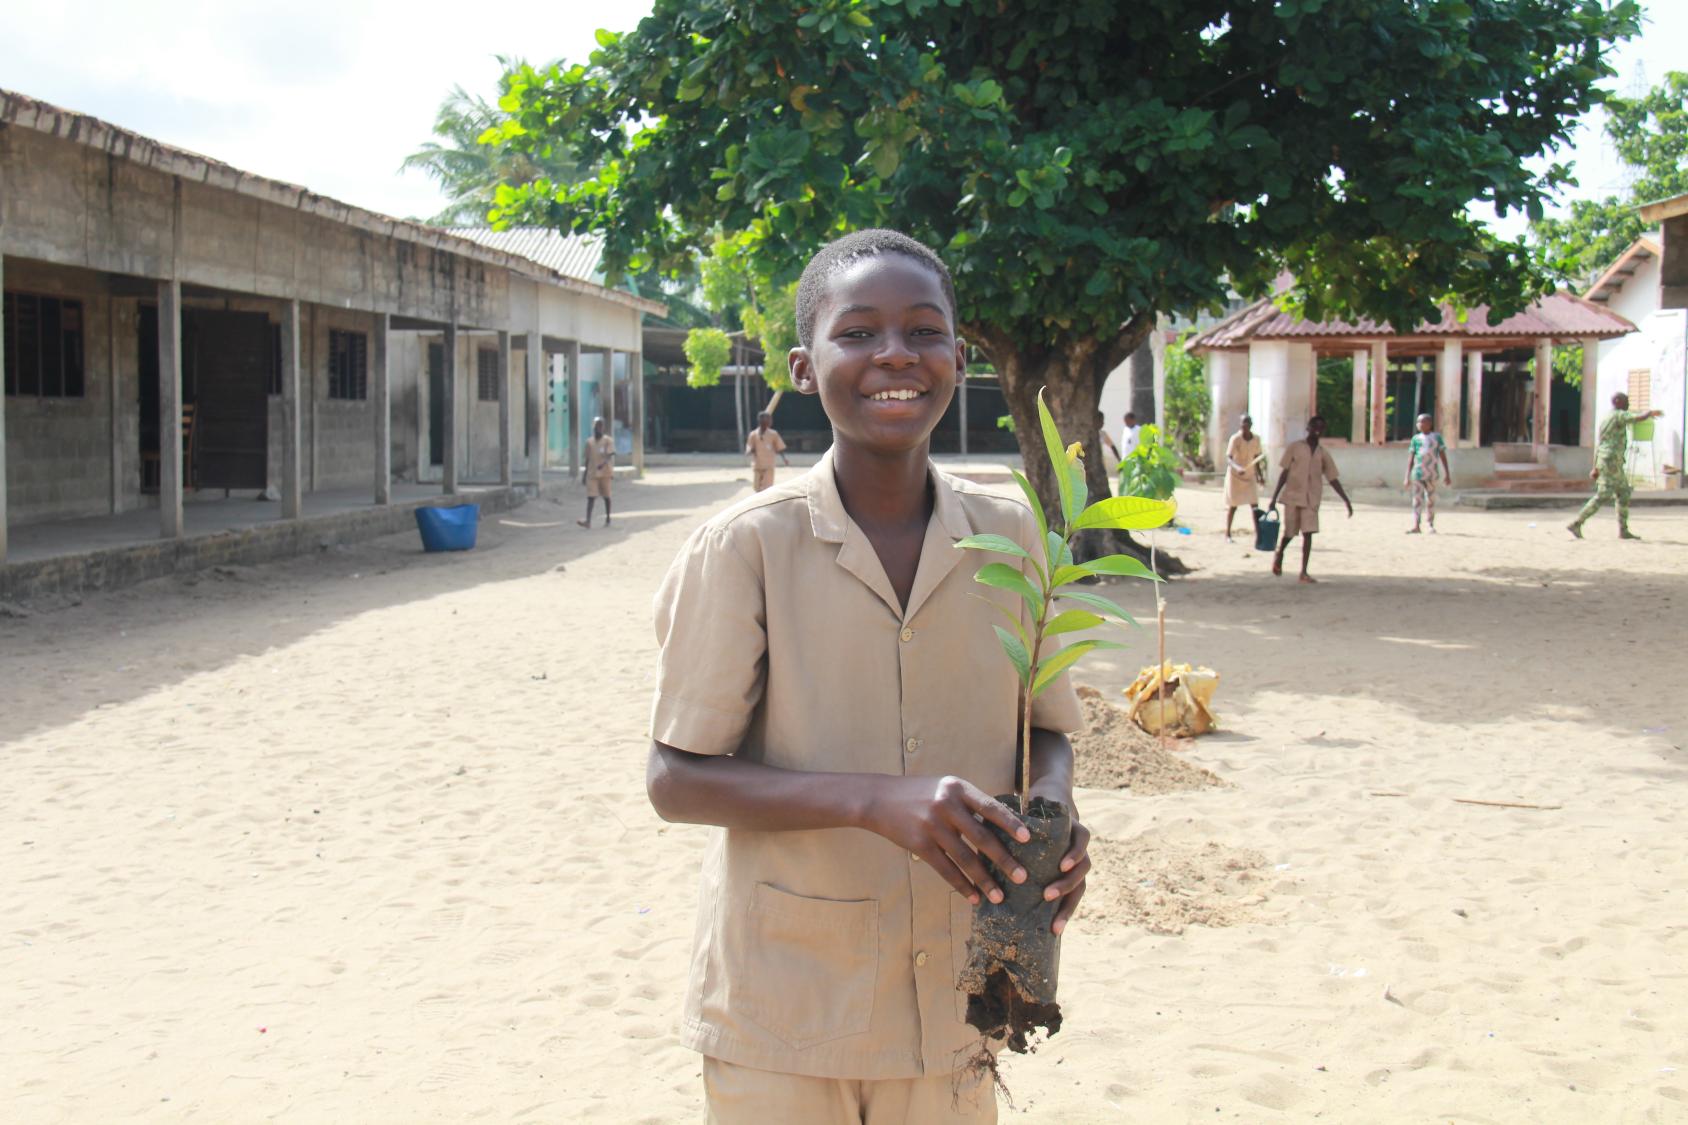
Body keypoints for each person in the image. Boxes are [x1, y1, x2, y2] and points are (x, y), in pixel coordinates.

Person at [645, 229, 1087, 1124]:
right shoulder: (747, 547)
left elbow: (1045, 723)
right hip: (787, 1015)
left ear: (960, 360)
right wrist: (874, 801)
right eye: (858, 333)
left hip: (959, 1004)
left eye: (924, 332)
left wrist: (1056, 810)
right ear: (806, 368)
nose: (895, 354)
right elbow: (675, 778)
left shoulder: (1012, 535)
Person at [1267, 415, 1353, 583]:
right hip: (1293, 496)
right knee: (1290, 532)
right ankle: (1280, 553)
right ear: (1308, 428)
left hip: (1312, 498)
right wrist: (1274, 498)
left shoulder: (1323, 454)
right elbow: (1284, 472)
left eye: (1321, 427)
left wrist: (1346, 500)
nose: (1317, 430)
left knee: (1308, 533)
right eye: (1315, 426)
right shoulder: (1295, 448)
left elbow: (1332, 478)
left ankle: (1304, 572)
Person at [1568, 391, 1662, 540]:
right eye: (1626, 401)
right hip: (1611, 461)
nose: (1628, 404)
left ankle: (1623, 530)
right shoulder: (1618, 414)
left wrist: (1595, 466)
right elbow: (1636, 418)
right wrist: (1649, 413)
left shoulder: (1606, 418)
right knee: (1603, 495)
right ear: (1617, 401)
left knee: (1624, 492)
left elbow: (1600, 444)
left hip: (1610, 461)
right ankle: (1577, 523)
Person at [1403, 413, 1452, 534]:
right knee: (1417, 499)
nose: (1419, 424)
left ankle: (1430, 524)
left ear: (1429, 424)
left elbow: (1442, 456)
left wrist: (1447, 474)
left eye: (1422, 422)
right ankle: (1416, 525)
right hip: (1418, 473)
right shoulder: (1415, 439)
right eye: (1418, 422)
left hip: (1431, 473)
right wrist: (1407, 476)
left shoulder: (1436, 438)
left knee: (1430, 499)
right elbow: (1411, 458)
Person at [1222, 414, 1264, 542]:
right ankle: (1228, 534)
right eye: (1243, 423)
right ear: (1240, 425)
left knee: (1255, 506)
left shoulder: (1256, 439)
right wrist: (1237, 467)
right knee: (1233, 506)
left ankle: (1259, 535)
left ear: (1251, 425)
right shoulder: (1235, 439)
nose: (1245, 426)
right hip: (1235, 477)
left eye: (1247, 423)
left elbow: (1256, 459)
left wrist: (1260, 476)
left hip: (1250, 476)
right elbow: (1229, 458)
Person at [578, 417, 613, 528]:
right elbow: (587, 459)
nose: (598, 428)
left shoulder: (608, 441)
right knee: (591, 497)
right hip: (592, 473)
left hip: (605, 473)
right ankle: (588, 521)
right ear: (593, 427)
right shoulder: (589, 442)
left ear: (603, 428)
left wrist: (603, 464)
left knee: (606, 496)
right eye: (596, 426)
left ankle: (608, 518)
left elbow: (610, 455)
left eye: (600, 426)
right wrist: (584, 474)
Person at [745, 410, 791, 492]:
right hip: (757, 464)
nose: (770, 421)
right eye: (768, 419)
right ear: (761, 421)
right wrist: (749, 450)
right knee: (756, 487)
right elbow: (750, 446)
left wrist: (784, 459)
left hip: (769, 465)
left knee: (767, 486)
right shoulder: (753, 434)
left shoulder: (773, 434)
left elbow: (779, 448)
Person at [1096, 411, 1121, 494]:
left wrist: (1119, 460)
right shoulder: (1087, 433)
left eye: (1103, 421)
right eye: (1100, 420)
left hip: (1100, 463)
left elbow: (1112, 446)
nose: (1103, 423)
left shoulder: (1102, 434)